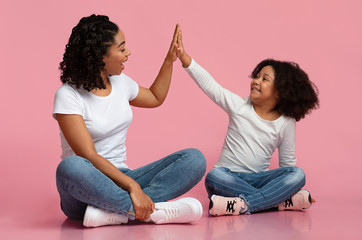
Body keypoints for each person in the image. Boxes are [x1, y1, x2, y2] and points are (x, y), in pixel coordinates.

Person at [53, 15, 206, 227]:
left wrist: (169, 60)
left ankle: (119, 213)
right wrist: (133, 187)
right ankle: (151, 210)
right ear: (100, 56)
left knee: (194, 159)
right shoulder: (68, 95)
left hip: (123, 177)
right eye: (122, 48)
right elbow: (88, 155)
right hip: (85, 190)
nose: (128, 53)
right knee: (70, 167)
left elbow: (155, 97)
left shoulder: (120, 82)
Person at [175, 26, 319, 216]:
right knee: (214, 176)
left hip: (259, 179)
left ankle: (243, 204)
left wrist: (290, 185)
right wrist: (184, 57)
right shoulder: (239, 106)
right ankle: (275, 203)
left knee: (297, 174)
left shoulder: (286, 123)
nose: (256, 81)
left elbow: (287, 166)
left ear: (280, 91)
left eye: (264, 79)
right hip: (227, 179)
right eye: (256, 76)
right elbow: (211, 86)